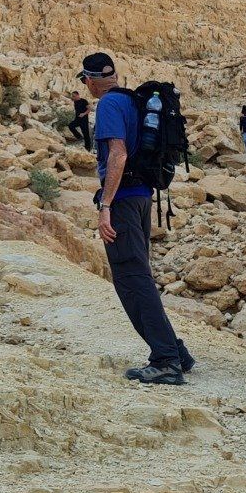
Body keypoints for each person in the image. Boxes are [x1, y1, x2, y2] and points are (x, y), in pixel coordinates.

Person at [81, 52, 191, 385]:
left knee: (131, 279)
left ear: (91, 80)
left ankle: (166, 361)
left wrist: (106, 205)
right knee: (139, 276)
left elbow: (118, 153)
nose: (85, 85)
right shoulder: (132, 101)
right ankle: (177, 352)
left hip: (124, 201)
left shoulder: (109, 105)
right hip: (142, 197)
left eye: (85, 79)